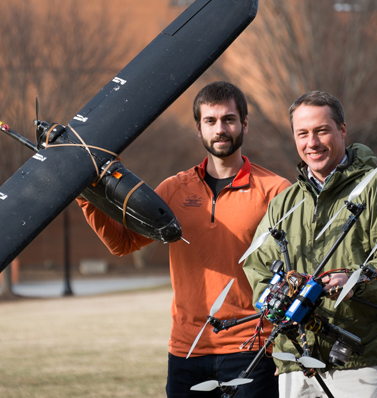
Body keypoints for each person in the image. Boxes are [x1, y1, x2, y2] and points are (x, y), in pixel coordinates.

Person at [77, 81, 291, 397]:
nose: (221, 129)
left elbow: (298, 269)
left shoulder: (275, 191)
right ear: (199, 128)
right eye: (211, 121)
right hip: (187, 351)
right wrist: (84, 194)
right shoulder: (174, 190)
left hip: (253, 348)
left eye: (229, 119)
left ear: (244, 123)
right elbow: (123, 243)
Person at [243, 90, 377, 398]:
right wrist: (277, 296)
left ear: (342, 130)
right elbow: (257, 264)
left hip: (360, 361)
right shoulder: (283, 204)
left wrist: (356, 279)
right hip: (296, 362)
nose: (312, 143)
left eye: (321, 130)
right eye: (303, 133)